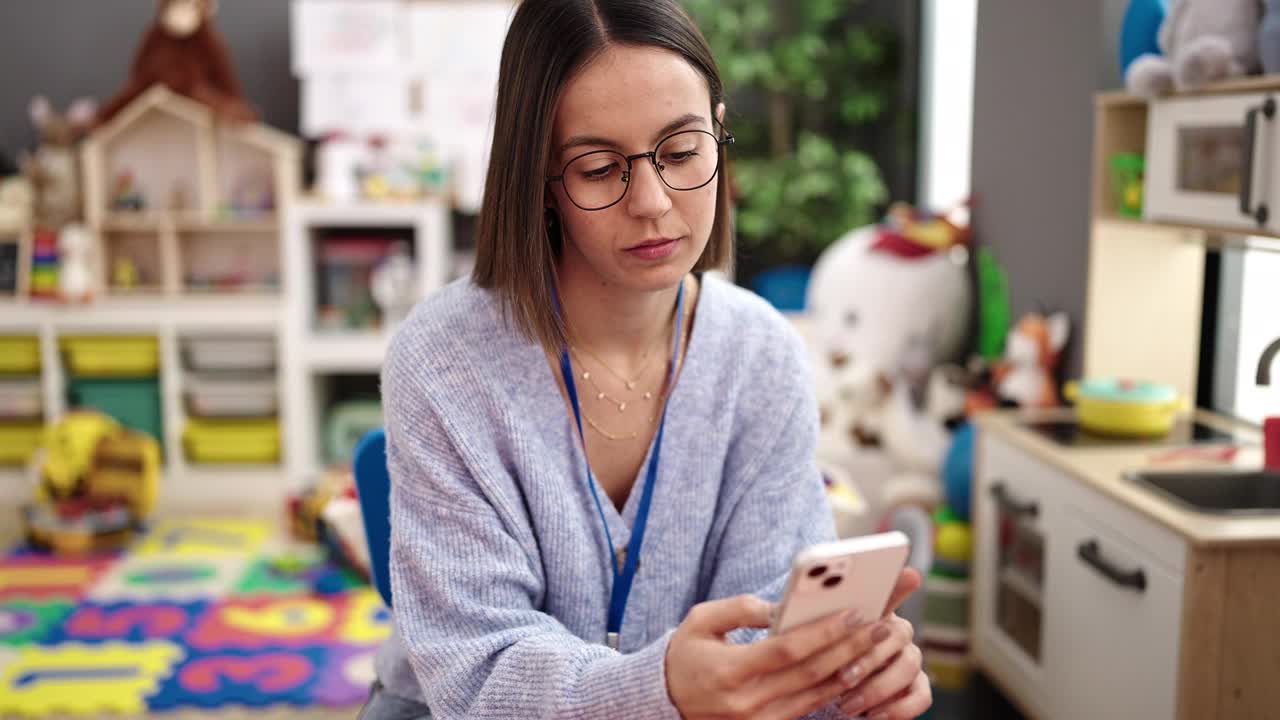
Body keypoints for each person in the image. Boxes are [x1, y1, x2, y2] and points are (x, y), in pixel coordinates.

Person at [362, 1, 932, 718]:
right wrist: (656, 689)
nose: (655, 202)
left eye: (684, 151)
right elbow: (476, 672)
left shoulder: (761, 357)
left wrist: (841, 674)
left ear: (720, 134)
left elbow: (764, 625)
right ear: (539, 176)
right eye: (600, 168)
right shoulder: (444, 359)